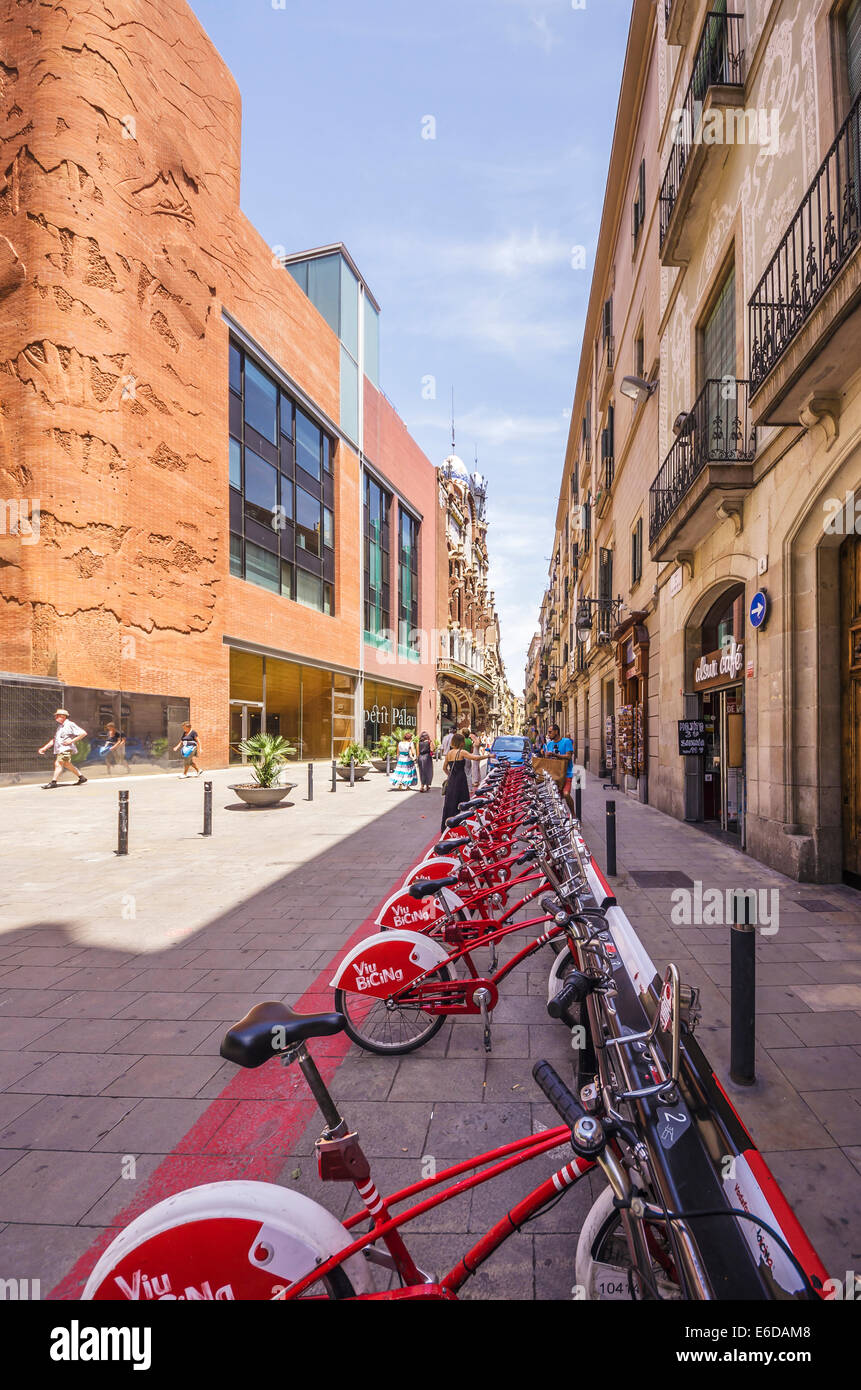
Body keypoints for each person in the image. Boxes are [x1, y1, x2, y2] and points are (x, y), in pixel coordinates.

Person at [440, 732, 483, 829]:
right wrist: (488, 756)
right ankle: (462, 825)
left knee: (451, 802)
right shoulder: (461, 752)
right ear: (461, 742)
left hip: (452, 780)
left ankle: (448, 825)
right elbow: (475, 758)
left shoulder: (449, 753)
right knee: (463, 801)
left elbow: (444, 768)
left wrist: (450, 775)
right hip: (460, 780)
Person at [39, 708, 88, 788]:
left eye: (57, 716)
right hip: (61, 749)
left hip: (65, 749)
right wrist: (44, 748)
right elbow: (55, 740)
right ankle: (81, 778)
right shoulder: (60, 727)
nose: (55, 717)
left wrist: (71, 741)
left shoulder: (69, 724)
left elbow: (83, 733)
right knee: (67, 765)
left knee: (58, 764)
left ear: (63, 716)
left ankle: (53, 782)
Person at [543, 722, 575, 800]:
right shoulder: (549, 744)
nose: (548, 734)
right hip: (554, 774)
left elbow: (569, 756)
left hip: (566, 773)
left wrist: (555, 755)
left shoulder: (566, 741)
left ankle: (573, 812)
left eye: (550, 732)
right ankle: (561, 812)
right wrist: (546, 755)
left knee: (566, 794)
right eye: (548, 732)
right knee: (557, 797)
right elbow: (548, 760)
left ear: (556, 732)